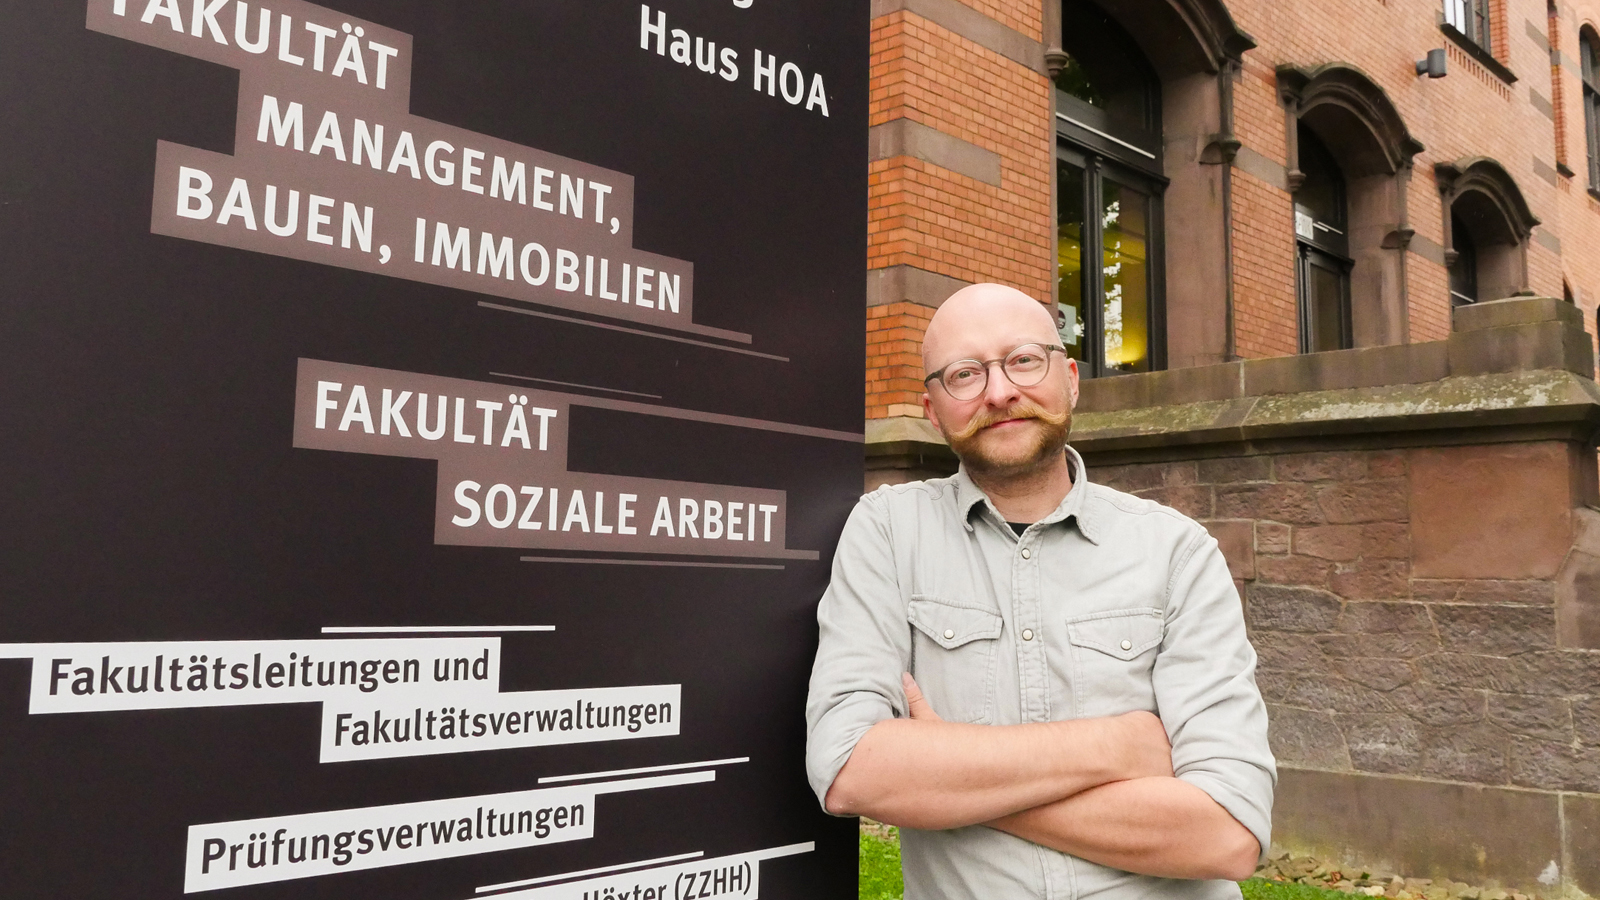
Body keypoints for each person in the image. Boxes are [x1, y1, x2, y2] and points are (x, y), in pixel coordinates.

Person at [805, 283, 1274, 898]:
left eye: (1024, 359)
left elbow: (1227, 834)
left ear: (1071, 378)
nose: (1000, 392)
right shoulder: (890, 532)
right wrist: (1119, 745)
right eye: (964, 375)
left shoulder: (1177, 552)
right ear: (931, 407)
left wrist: (948, 780)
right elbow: (847, 769)